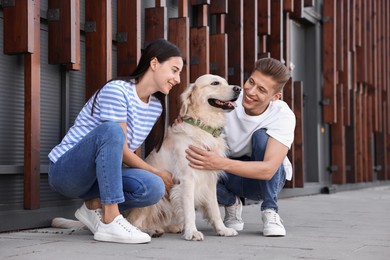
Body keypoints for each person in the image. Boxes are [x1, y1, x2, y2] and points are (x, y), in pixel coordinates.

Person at [48, 39, 183, 244]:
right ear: (154, 63)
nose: (178, 79)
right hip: (67, 172)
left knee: (153, 187)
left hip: (99, 178)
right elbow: (118, 145)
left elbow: (130, 151)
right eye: (174, 70)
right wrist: (155, 170)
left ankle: (94, 205)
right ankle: (110, 219)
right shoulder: (117, 90)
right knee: (112, 131)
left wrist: (153, 176)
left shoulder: (155, 107)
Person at [185, 57, 295, 237]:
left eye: (261, 90)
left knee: (261, 137)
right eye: (251, 82)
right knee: (197, 163)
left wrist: (219, 163)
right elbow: (196, 114)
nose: (250, 91)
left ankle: (270, 210)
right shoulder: (228, 99)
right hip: (227, 174)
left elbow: (268, 170)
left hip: (262, 182)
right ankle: (231, 202)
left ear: (275, 97)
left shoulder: (282, 115)